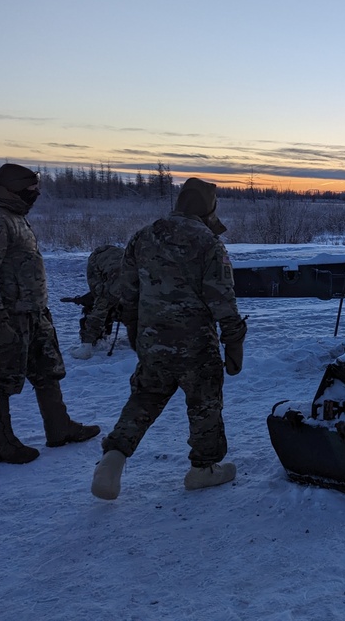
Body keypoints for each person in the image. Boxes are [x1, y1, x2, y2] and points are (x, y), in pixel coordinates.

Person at [91, 177, 247, 499]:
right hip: (196, 345)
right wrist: (234, 340)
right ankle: (203, 469)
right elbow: (222, 301)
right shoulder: (209, 243)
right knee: (204, 403)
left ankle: (113, 458)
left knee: (144, 398)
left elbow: (127, 293)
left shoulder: (143, 236)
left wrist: (136, 334)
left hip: (152, 341)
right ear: (208, 208)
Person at [0, 163, 100, 464]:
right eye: (31, 189)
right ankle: (0, 444)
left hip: (34, 311)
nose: (36, 194)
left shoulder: (15, 213)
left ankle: (59, 428)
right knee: (1, 378)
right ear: (12, 187)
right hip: (8, 315)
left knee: (48, 369)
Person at [68, 244, 125, 359]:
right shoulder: (117, 284)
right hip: (99, 260)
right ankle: (88, 345)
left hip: (119, 261)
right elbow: (100, 308)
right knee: (101, 302)